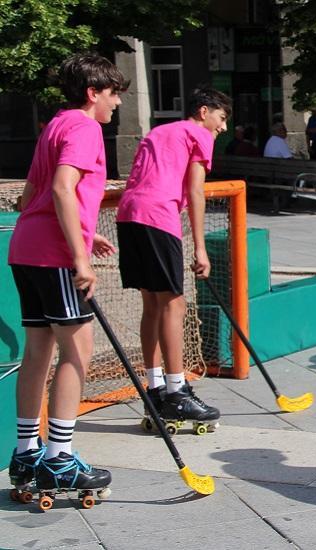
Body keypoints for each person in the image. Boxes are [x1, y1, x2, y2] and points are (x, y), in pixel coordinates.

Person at [7, 53, 126, 500]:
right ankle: (59, 458)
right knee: (78, 351)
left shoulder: (54, 125)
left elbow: (29, 196)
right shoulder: (84, 127)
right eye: (114, 95)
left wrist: (85, 231)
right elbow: (60, 186)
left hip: (27, 248)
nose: (116, 105)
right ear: (94, 93)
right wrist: (79, 256)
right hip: (55, 254)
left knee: (38, 349)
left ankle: (26, 453)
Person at [116, 87, 232, 431]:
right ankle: (177, 390)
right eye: (221, 118)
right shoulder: (198, 133)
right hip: (157, 216)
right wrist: (200, 247)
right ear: (203, 111)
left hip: (129, 216)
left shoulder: (158, 131)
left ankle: (154, 390)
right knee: (174, 304)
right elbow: (196, 190)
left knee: (152, 304)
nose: (222, 127)